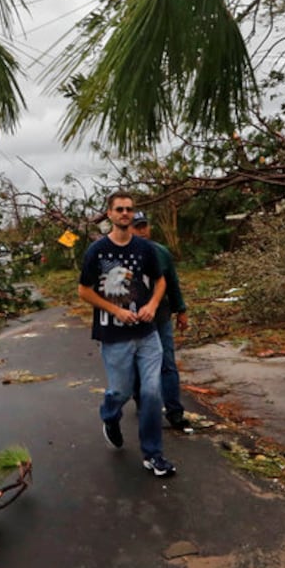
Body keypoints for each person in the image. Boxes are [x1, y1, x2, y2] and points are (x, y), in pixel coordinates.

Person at [78, 192, 177, 478]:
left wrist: (153, 305)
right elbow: (84, 291)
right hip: (114, 335)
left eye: (129, 209)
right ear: (109, 214)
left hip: (147, 333)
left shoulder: (144, 249)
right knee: (120, 391)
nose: (125, 213)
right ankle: (110, 416)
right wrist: (116, 310)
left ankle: (153, 455)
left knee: (151, 392)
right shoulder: (96, 252)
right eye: (119, 209)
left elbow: (160, 281)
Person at [132, 212, 190, 431]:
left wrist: (181, 311)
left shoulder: (161, 253)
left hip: (161, 316)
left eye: (144, 226)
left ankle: (174, 411)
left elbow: (172, 284)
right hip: (134, 319)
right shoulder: (123, 255)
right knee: (137, 363)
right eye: (137, 227)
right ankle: (140, 399)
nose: (142, 230)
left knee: (167, 363)